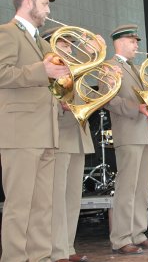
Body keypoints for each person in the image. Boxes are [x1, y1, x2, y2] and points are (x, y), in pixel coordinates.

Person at [0, 0, 70, 262]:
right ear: (27, 3)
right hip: (20, 133)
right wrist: (41, 70)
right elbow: (3, 73)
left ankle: (40, 257)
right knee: (20, 206)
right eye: (44, 3)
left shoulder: (42, 43)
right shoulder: (5, 34)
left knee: (43, 205)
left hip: (46, 133)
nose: (47, 10)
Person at [105, 24, 148, 254]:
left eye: (136, 41)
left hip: (147, 133)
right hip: (129, 133)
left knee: (142, 189)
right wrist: (135, 108)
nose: (137, 45)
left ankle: (138, 233)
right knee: (127, 189)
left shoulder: (138, 69)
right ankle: (120, 238)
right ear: (119, 42)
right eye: (132, 41)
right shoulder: (108, 67)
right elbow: (109, 100)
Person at [41, 27, 95, 262]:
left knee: (73, 198)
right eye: (64, 45)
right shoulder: (47, 70)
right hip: (59, 136)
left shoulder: (74, 71)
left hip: (78, 137)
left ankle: (68, 247)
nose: (69, 49)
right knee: (57, 198)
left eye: (70, 45)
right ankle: (56, 251)